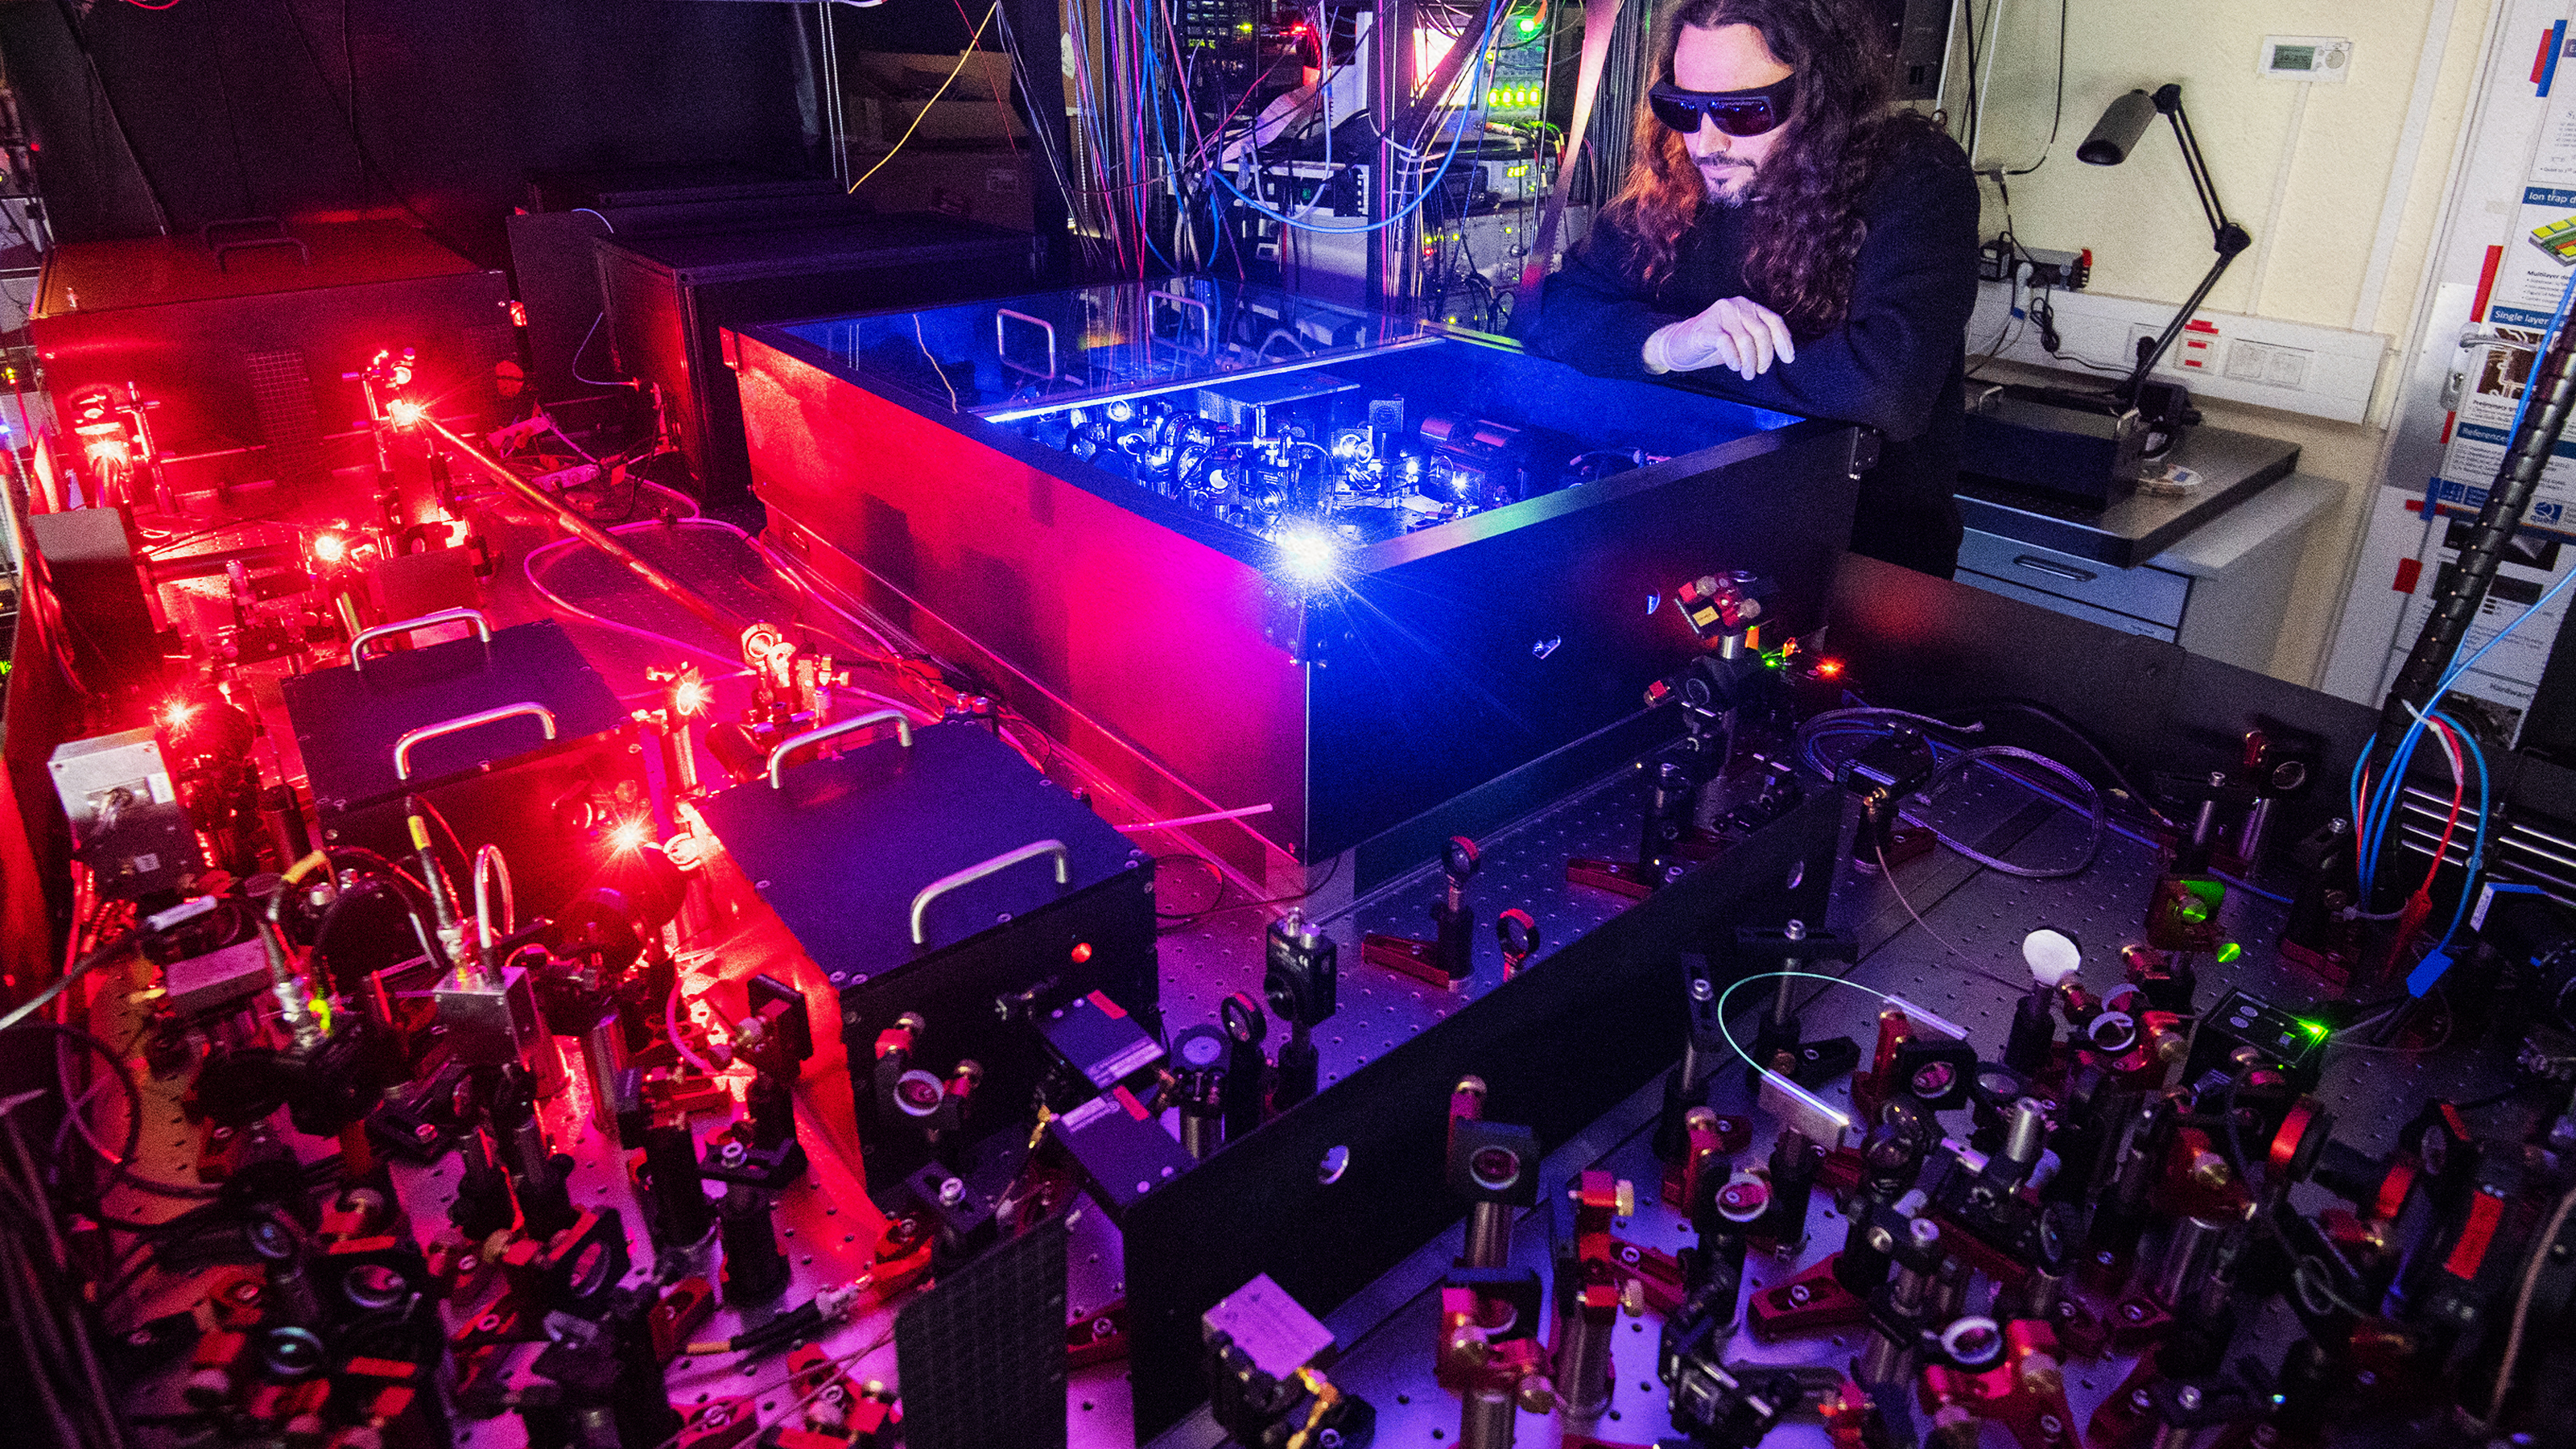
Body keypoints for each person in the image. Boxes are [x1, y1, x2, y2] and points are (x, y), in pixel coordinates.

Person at [1518, 0, 1979, 577]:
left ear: (1820, 97)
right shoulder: (1675, 186)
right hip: (1693, 542)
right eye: (1683, 107)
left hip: (1864, 565)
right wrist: (1667, 344)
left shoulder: (1914, 176)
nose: (1706, 141)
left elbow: (1887, 385)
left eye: (1744, 112)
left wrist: (1691, 358)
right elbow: (1547, 315)